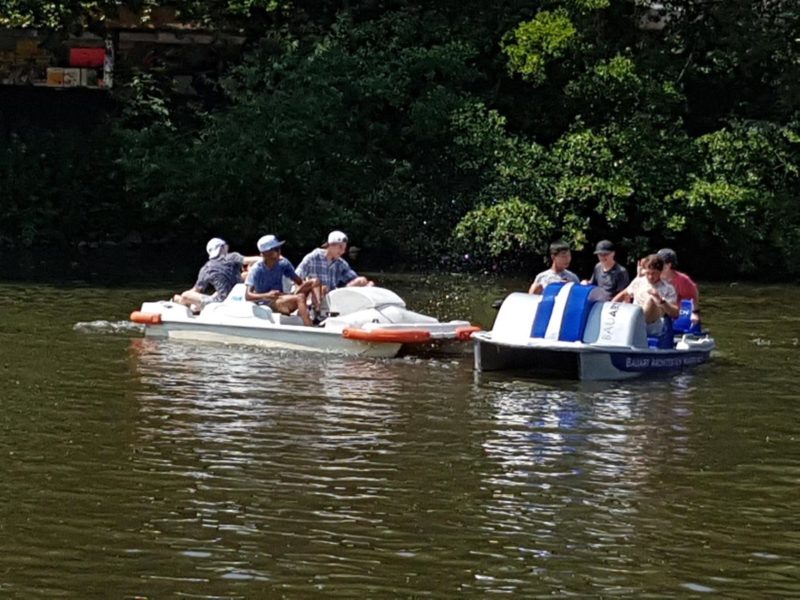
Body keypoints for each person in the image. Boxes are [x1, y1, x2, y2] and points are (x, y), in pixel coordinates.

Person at [245, 235, 318, 326]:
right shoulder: (256, 269)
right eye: (276, 249)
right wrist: (267, 295)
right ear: (267, 253)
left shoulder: (283, 264)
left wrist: (303, 295)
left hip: (282, 298)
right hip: (267, 302)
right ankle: (309, 328)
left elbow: (299, 282)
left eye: (279, 248)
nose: (279, 251)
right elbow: (248, 296)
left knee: (314, 282)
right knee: (300, 297)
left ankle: (317, 314)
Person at [173, 237, 259, 312]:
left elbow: (196, 290)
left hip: (221, 301)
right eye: (225, 245)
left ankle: (180, 303)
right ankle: (190, 305)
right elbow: (253, 260)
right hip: (237, 298)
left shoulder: (206, 268)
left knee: (186, 295)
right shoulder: (233, 257)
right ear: (222, 247)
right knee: (244, 276)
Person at [296, 230, 374, 300]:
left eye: (344, 248)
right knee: (322, 288)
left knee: (362, 280)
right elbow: (296, 277)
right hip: (313, 298)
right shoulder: (313, 257)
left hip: (332, 298)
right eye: (340, 247)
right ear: (331, 245)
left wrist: (366, 284)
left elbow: (354, 279)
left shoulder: (341, 263)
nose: (343, 251)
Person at [613, 254, 678, 335]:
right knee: (623, 306)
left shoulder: (668, 288)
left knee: (651, 300)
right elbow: (624, 294)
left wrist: (661, 300)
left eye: (654, 273)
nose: (650, 276)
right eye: (648, 273)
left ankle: (634, 326)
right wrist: (610, 306)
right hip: (633, 317)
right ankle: (630, 326)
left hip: (653, 324)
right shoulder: (639, 281)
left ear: (660, 272)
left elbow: (675, 313)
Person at [657, 248, 700, 324]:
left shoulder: (682, 280)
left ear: (668, 265)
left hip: (673, 313)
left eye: (659, 263)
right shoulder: (653, 276)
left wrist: (695, 312)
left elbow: (694, 293)